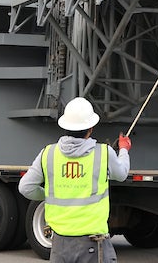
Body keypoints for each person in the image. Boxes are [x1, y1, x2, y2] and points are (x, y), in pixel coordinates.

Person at [19, 97, 131, 263]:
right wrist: (123, 150)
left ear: (65, 126)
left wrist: (50, 196)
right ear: (91, 128)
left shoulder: (48, 153)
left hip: (59, 245)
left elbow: (25, 187)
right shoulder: (103, 153)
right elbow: (121, 174)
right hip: (93, 244)